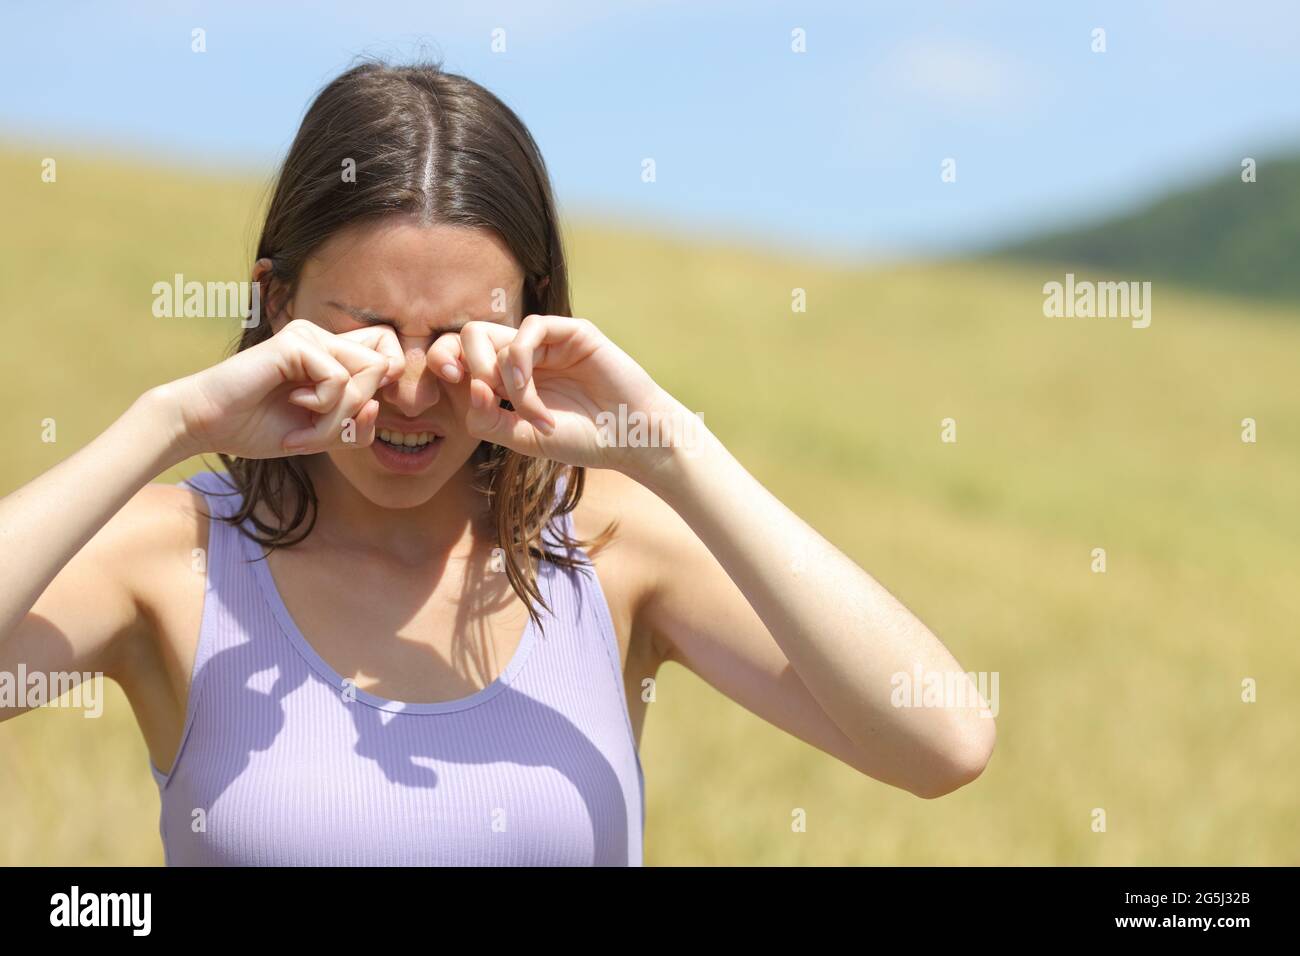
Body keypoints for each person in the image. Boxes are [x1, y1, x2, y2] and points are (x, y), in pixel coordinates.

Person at [0, 59, 994, 866]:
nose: (415, 387)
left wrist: (668, 444)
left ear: (533, 323)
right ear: (277, 303)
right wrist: (165, 422)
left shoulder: (610, 544)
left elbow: (943, 742)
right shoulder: (172, 557)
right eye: (371, 330)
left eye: (462, 334)